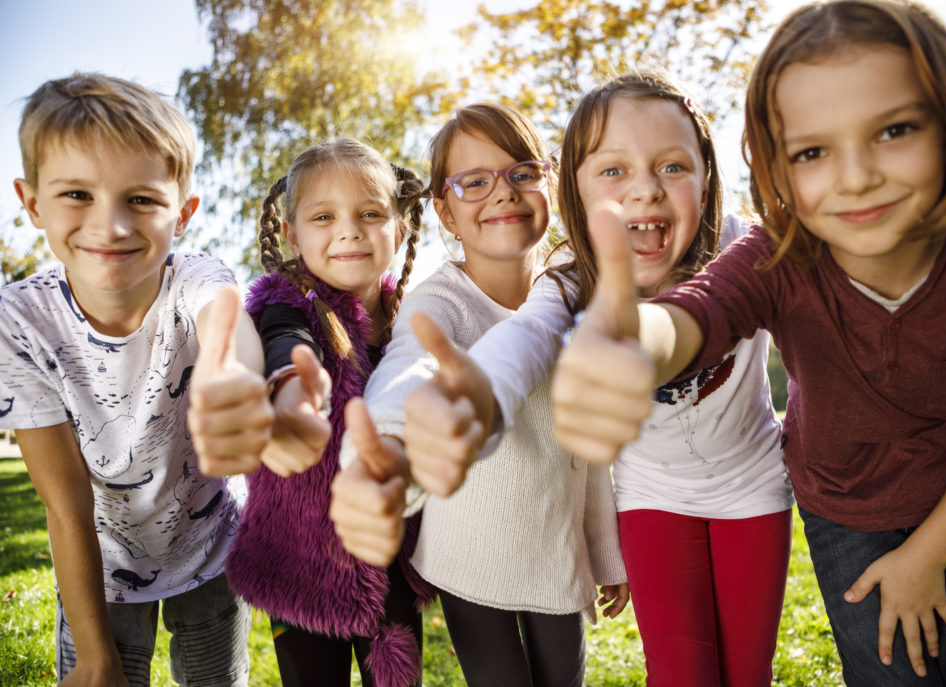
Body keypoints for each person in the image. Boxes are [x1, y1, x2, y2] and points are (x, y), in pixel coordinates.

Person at [552, 2, 946, 685]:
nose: (856, 175)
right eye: (812, 151)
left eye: (893, 130)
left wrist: (929, 552)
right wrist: (634, 340)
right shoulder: (781, 255)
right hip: (845, 506)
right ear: (777, 164)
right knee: (887, 670)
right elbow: (700, 312)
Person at [392, 71, 794, 686]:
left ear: (707, 174)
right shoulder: (569, 281)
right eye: (613, 170)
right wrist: (478, 393)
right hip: (650, 501)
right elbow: (521, 341)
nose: (644, 192)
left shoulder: (745, 249)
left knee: (748, 674)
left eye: (672, 167)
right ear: (577, 190)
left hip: (753, 490)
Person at [331, 102, 629, 687]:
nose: (503, 194)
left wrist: (605, 550)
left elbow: (586, 451)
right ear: (445, 210)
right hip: (469, 556)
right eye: (474, 181)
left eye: (523, 172)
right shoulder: (437, 303)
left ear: (551, 182)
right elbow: (407, 371)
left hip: (555, 550)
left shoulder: (574, 287)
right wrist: (384, 448)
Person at [0, 72, 270, 687]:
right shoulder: (18, 323)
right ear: (32, 201)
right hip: (102, 568)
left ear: (184, 211)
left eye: (142, 199)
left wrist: (232, 376)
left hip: (210, 553)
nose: (112, 226)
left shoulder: (194, 275)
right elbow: (65, 506)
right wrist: (95, 658)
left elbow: (223, 315)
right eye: (76, 194)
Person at [223, 138, 435, 687]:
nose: (350, 230)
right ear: (292, 235)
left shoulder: (417, 317)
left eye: (370, 214)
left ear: (401, 227)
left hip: (392, 552)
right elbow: (284, 347)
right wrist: (292, 391)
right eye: (324, 216)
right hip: (300, 558)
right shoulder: (285, 305)